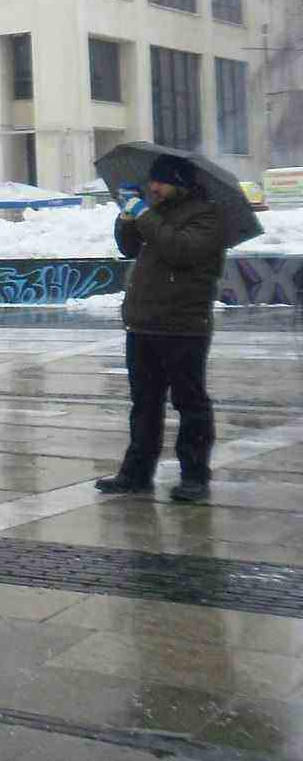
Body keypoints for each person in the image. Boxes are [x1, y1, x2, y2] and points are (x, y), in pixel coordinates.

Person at [95, 156, 227, 504]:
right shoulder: (156, 212)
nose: (153, 187)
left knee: (190, 403)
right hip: (143, 324)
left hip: (183, 326)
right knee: (144, 404)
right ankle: (136, 474)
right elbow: (128, 248)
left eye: (161, 182)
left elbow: (179, 250)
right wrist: (126, 218)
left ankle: (194, 477)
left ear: (180, 183)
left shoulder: (206, 216)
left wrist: (143, 213)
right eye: (152, 181)